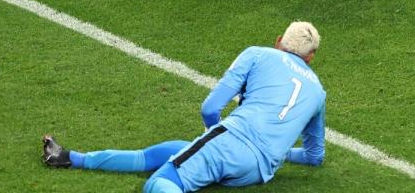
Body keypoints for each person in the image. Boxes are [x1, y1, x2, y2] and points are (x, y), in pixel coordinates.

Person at [42, 21, 326, 193]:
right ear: (311, 57)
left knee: (158, 183)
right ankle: (71, 158)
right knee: (162, 153)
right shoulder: (318, 92)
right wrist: (278, 151)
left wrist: (217, 135)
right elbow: (314, 156)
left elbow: (210, 109)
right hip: (256, 171)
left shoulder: (258, 54)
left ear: (278, 41)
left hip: (229, 143)